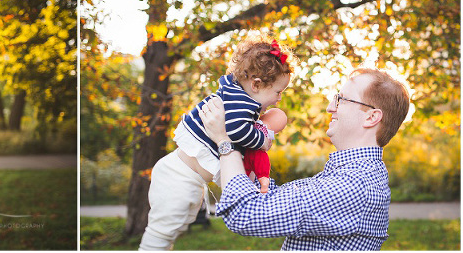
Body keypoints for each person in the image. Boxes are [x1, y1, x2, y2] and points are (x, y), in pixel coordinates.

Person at [199, 68, 410, 250]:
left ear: (372, 117)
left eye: (341, 99)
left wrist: (224, 141)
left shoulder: (353, 185)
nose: (330, 107)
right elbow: (271, 199)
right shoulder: (351, 175)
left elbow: (244, 214)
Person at [139, 34, 296, 250]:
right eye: (278, 92)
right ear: (256, 84)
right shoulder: (242, 105)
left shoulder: (235, 92)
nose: (279, 99)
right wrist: (261, 141)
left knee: (173, 231)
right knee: (160, 235)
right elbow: (236, 130)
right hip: (177, 178)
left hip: (187, 177)